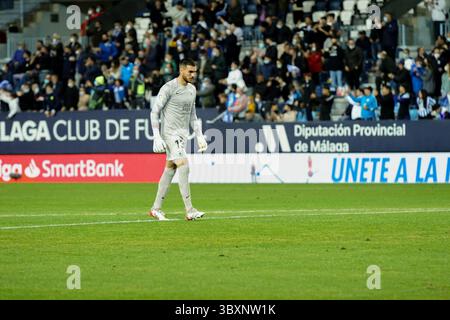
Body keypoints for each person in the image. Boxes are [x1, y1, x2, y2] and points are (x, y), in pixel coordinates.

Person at [150, 59, 207, 221]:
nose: (193, 74)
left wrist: (199, 135)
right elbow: (154, 112)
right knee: (183, 164)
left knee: (170, 168)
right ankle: (189, 209)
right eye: (190, 71)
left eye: (195, 71)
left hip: (182, 135)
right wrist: (156, 135)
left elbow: (192, 115)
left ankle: (156, 209)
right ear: (181, 70)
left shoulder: (192, 90)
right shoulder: (169, 88)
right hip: (169, 133)